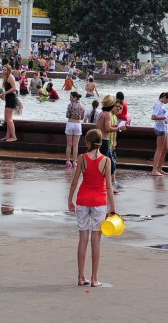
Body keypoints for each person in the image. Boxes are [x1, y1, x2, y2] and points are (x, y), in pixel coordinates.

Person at [67, 128, 116, 288]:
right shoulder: (106, 161)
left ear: (87, 142)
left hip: (82, 200)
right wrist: (113, 208)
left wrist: (70, 199)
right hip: (99, 202)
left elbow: (74, 181)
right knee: (96, 241)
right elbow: (109, 186)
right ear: (100, 142)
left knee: (83, 240)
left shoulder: (82, 158)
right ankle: (94, 279)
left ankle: (81, 277)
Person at [150, 92, 168, 176]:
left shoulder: (162, 104)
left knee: (165, 149)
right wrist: (165, 117)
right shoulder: (158, 104)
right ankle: (154, 169)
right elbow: (153, 117)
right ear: (164, 97)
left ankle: (159, 168)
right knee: (159, 149)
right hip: (160, 128)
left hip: (164, 127)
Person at [64, 91, 86, 168]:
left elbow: (67, 115)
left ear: (75, 98)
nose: (70, 98)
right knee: (76, 145)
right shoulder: (82, 106)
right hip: (78, 125)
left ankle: (68, 161)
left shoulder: (70, 105)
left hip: (70, 124)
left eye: (71, 97)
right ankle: (74, 162)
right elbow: (83, 117)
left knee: (69, 145)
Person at [0, 65, 18, 141]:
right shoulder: (6, 77)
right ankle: (7, 136)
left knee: (9, 119)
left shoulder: (10, 77)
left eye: (5, 70)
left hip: (11, 99)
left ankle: (14, 137)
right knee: (7, 119)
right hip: (9, 99)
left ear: (9, 70)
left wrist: (4, 93)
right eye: (3, 69)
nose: (4, 71)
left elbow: (14, 88)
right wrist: (3, 95)